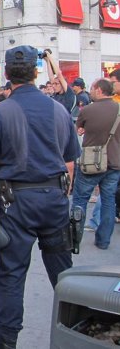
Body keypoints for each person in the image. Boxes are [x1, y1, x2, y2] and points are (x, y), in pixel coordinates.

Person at [0, 45, 80, 349]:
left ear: (6, 73)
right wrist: (62, 191)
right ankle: (78, 329)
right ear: (35, 72)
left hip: (15, 203)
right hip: (53, 198)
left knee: (11, 276)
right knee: (62, 271)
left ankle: (6, 343)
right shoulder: (59, 109)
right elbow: (70, 161)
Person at [72, 78, 120, 250]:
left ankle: (74, 239)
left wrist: (84, 130)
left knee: (80, 200)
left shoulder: (88, 110)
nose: (90, 91)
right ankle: (103, 241)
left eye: (92, 88)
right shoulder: (119, 108)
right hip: (114, 162)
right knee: (108, 201)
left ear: (99, 90)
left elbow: (79, 128)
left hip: (91, 163)